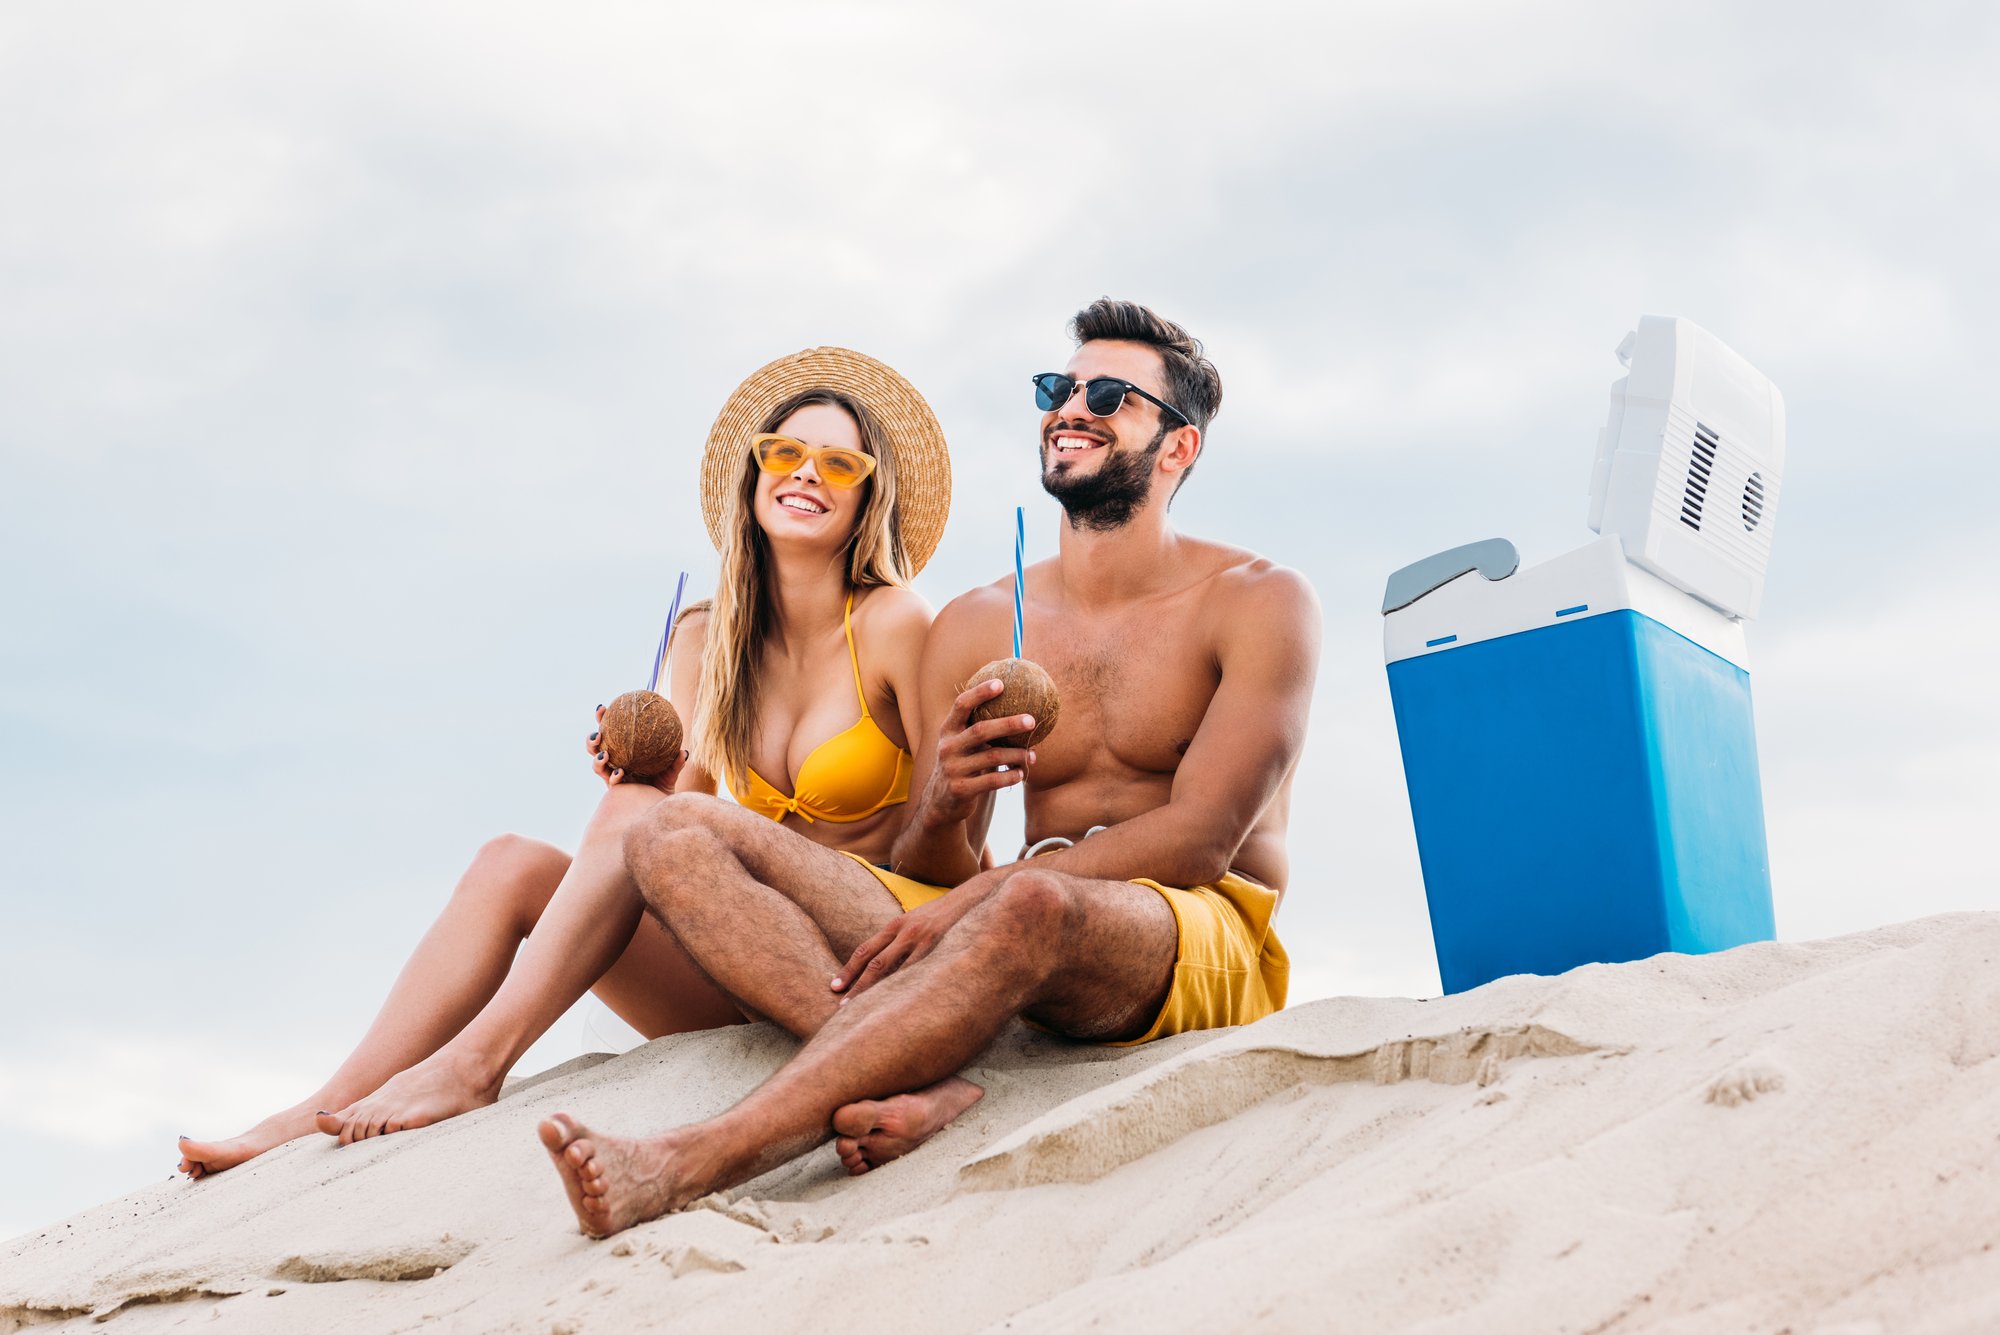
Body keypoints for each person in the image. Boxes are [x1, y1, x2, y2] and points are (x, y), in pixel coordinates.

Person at [538, 299, 1321, 1237]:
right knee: (669, 831)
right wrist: (946, 805)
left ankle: (692, 1158)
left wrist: (978, 899)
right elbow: (936, 866)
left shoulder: (1260, 600)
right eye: (1058, 389)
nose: (1072, 407)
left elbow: (1201, 840)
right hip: (1015, 936)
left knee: (1028, 899)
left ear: (1177, 449)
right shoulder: (985, 622)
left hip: (1196, 935)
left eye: (1110, 395)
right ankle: (922, 1081)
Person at [175, 347, 955, 1177]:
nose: (807, 473)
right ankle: (316, 1106)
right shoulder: (704, 639)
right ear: (753, 471)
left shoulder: (897, 622)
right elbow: (675, 826)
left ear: (869, 493)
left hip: (855, 963)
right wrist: (636, 781)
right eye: (785, 452)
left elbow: (955, 846)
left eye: (839, 461)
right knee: (509, 862)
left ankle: (475, 1065)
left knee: (632, 824)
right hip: (737, 965)